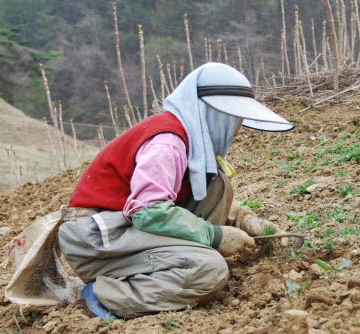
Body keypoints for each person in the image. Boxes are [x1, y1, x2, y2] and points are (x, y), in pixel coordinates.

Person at [58, 62, 294, 319]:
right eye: (234, 119)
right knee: (209, 270)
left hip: (120, 225)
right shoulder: (167, 143)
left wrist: (243, 220)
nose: (237, 130)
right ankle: (107, 294)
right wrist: (214, 236)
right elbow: (148, 211)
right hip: (96, 237)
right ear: (213, 114)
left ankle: (178, 263)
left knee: (218, 183)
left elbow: (188, 196)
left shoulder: (187, 140)